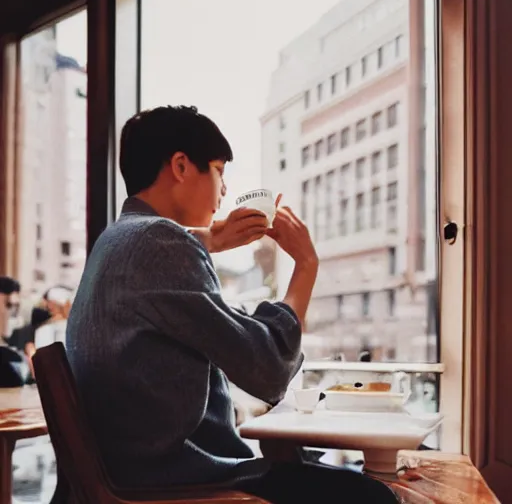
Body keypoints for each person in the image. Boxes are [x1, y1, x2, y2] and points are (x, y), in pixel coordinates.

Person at [66, 106, 397, 503]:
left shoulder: (114, 241)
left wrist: (206, 240)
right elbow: (268, 367)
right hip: (173, 479)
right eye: (220, 171)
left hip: (128, 472)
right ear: (181, 166)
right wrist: (306, 266)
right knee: (374, 495)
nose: (223, 191)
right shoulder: (160, 244)